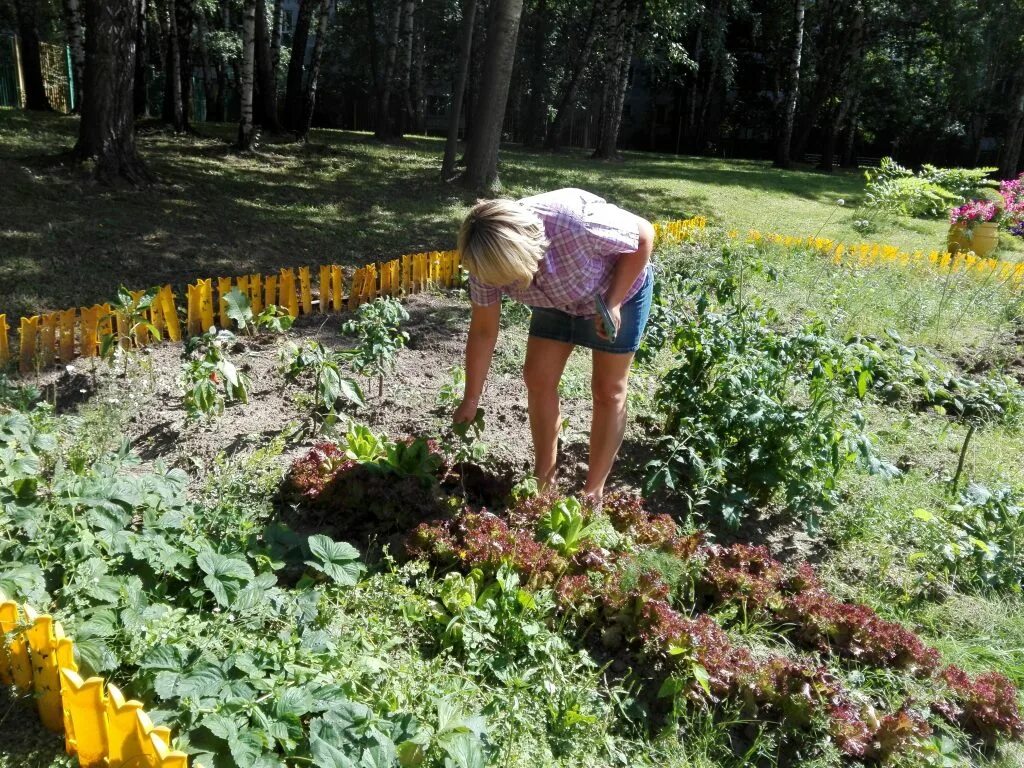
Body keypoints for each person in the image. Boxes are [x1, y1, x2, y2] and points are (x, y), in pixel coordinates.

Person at [452, 188, 655, 503]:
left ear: (525, 256)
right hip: (554, 299)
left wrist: (613, 302)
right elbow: (483, 331)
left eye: (507, 280)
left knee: (608, 389)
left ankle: (593, 494)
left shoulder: (574, 222)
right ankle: (544, 480)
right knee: (538, 377)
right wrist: (471, 398)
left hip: (617, 290)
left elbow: (644, 236)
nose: (499, 286)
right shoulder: (484, 258)